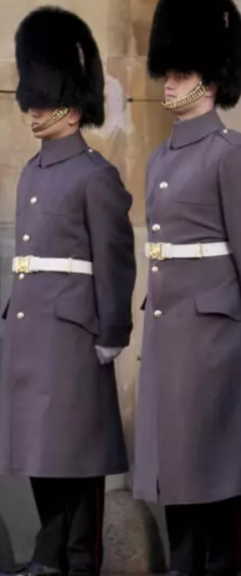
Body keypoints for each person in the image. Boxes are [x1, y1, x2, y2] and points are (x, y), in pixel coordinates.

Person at [133, 0, 241, 575]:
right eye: (167, 73)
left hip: (214, 336)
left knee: (214, 467)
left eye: (181, 73)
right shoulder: (160, 157)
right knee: (173, 464)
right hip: (169, 330)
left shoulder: (229, 153)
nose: (169, 83)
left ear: (210, 82)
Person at [0, 6, 136, 576]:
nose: (33, 110)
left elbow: (115, 260)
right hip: (32, 331)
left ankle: (78, 560)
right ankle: (49, 555)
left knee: (77, 455)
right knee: (40, 451)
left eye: (43, 100)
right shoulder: (32, 173)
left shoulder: (95, 175)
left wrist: (112, 329)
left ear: (72, 106)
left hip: (74, 334)